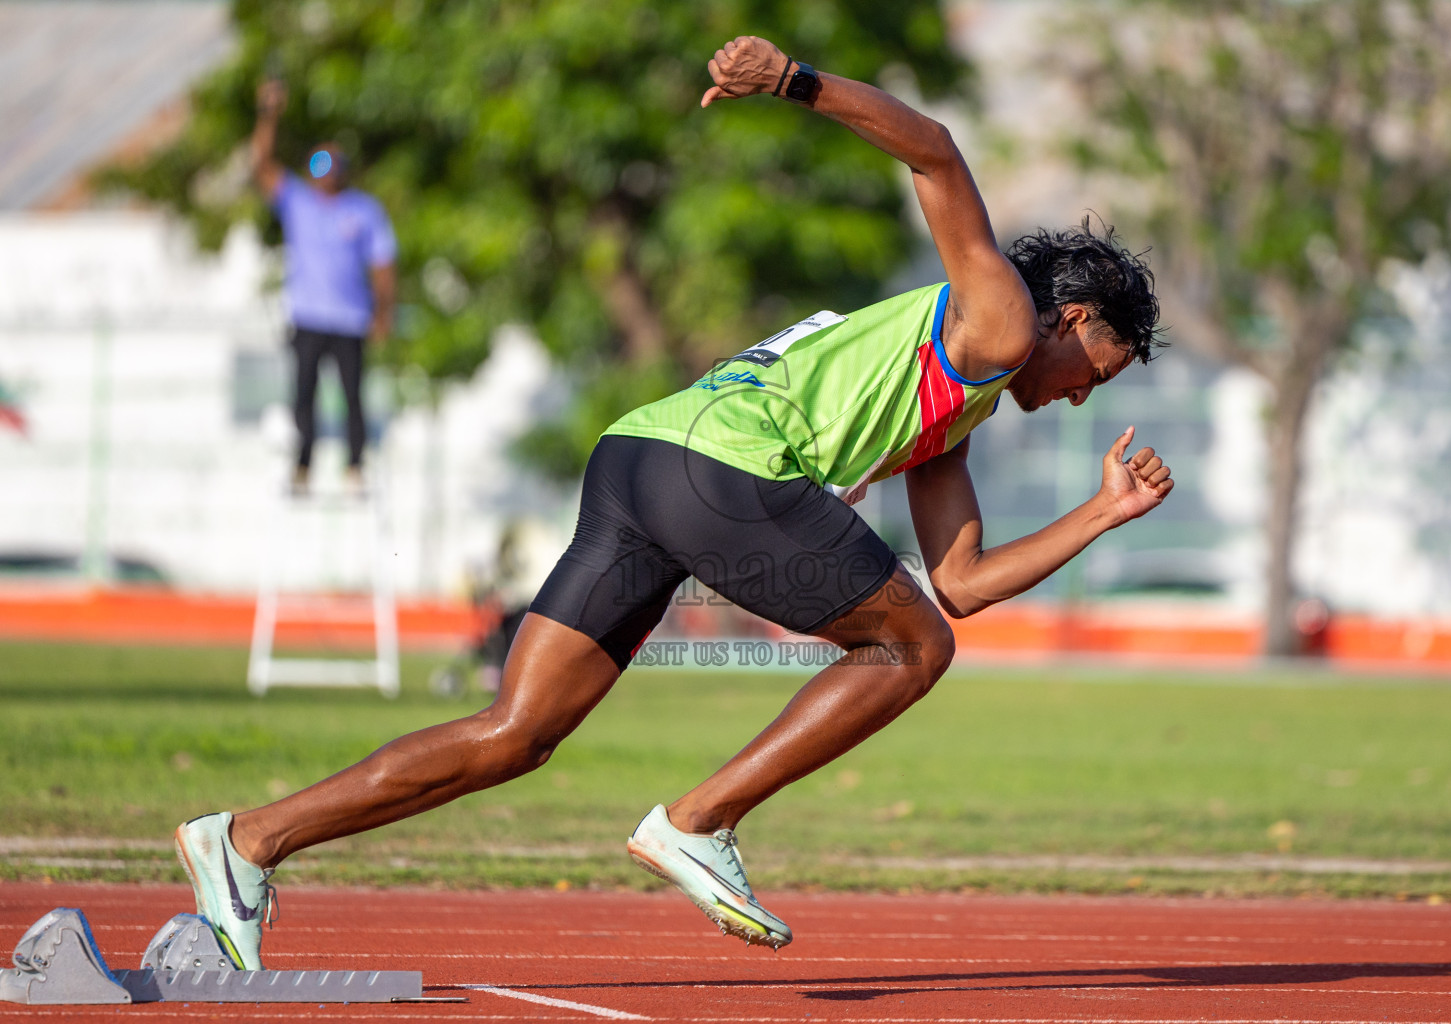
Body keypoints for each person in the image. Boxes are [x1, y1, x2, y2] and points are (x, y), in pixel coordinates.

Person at [174, 36, 1174, 969]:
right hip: (723, 470)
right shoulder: (999, 319)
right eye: (1102, 366)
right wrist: (795, 82)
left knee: (518, 731)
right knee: (913, 651)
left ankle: (248, 840)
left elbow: (958, 581)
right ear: (1074, 317)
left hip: (640, 457)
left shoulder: (961, 403)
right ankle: (700, 820)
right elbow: (940, 156)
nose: (1088, 391)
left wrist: (1099, 514)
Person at [251, 79, 397, 494]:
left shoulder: (364, 210)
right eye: (318, 165)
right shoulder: (297, 201)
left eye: (333, 165)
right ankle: (303, 467)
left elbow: (384, 265)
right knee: (304, 396)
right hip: (310, 316)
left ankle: (355, 466)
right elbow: (260, 164)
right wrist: (269, 114)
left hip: (350, 319)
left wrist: (384, 313)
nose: (326, 173)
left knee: (353, 397)